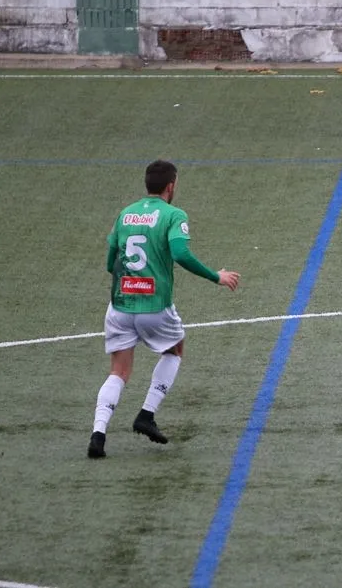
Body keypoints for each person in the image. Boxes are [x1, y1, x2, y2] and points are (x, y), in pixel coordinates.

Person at [87, 160, 240, 459]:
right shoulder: (173, 215)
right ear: (171, 186)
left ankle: (98, 434)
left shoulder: (125, 213)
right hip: (154, 305)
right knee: (175, 349)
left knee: (118, 371)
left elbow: (109, 262)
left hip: (120, 304)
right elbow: (180, 253)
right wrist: (216, 276)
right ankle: (146, 414)